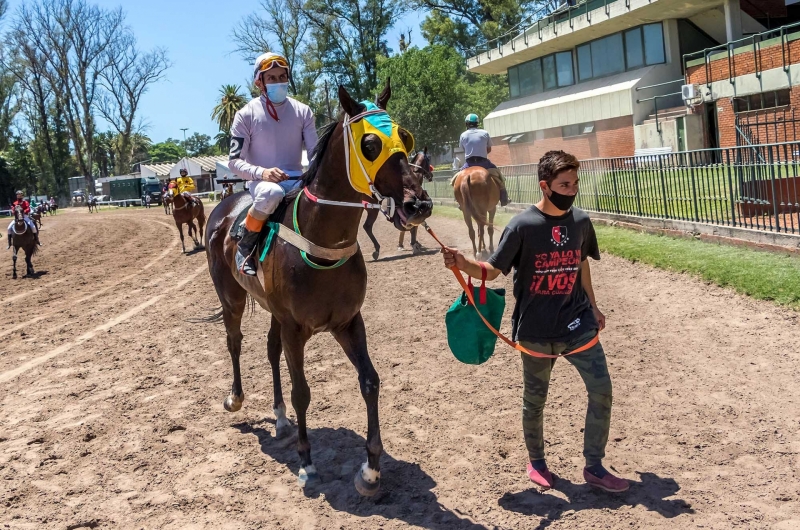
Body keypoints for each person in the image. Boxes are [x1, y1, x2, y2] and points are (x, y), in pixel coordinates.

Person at [442, 150, 628, 493]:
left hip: (577, 324)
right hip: (535, 330)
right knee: (535, 400)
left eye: (575, 183)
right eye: (564, 184)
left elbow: (581, 262)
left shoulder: (581, 222)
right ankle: (538, 462)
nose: (571, 190)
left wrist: (594, 306)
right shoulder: (521, 226)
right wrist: (462, 262)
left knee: (602, 389)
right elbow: (494, 270)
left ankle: (595, 466)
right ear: (545, 186)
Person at [228, 51, 318, 276]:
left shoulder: (303, 111)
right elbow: (234, 162)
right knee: (271, 193)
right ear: (260, 82)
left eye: (282, 77)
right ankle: (245, 246)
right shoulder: (245, 115)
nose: (278, 82)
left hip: (297, 180)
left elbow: (315, 153)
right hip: (262, 183)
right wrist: (263, 172)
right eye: (272, 78)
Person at [450, 114, 509, 206]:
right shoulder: (485, 133)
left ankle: (458, 200)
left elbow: (463, 149)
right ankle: (504, 198)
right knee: (499, 176)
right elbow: (489, 149)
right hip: (484, 163)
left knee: (456, 179)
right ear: (477, 123)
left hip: (469, 164)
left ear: (467, 124)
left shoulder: (463, 135)